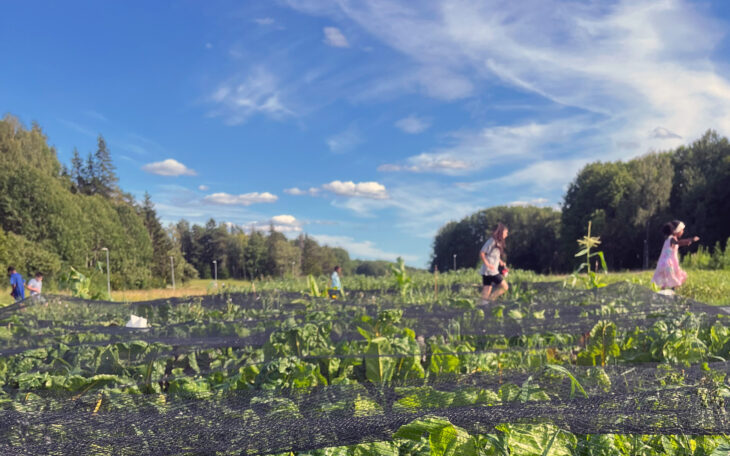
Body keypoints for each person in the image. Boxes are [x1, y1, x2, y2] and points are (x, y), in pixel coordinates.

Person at [652, 220, 699, 291]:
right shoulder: (672, 239)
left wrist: (687, 242)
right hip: (668, 264)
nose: (683, 231)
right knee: (673, 279)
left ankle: (663, 292)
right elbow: (678, 242)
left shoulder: (668, 239)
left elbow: (679, 243)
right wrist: (691, 239)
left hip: (663, 263)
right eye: (682, 230)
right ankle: (671, 292)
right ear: (677, 231)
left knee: (666, 280)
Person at [480, 223, 509, 301]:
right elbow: (482, 253)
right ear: (501, 232)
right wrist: (488, 264)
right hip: (491, 271)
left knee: (487, 288)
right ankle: (491, 300)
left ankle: (482, 306)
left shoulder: (498, 242)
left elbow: (493, 255)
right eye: (506, 233)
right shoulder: (492, 241)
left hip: (488, 270)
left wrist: (500, 262)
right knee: (505, 287)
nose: (507, 235)